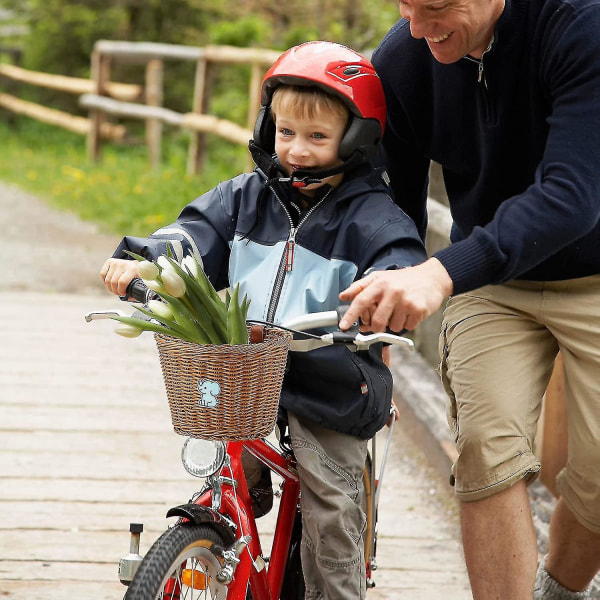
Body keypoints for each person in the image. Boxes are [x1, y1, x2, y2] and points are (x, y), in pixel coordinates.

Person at [101, 41, 426, 599]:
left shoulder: (372, 216)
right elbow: (190, 235)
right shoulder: (245, 199)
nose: (296, 150)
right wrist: (148, 262)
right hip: (245, 377)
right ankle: (214, 536)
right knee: (222, 473)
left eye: (317, 137)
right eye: (285, 132)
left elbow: (400, 261)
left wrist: (387, 295)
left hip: (331, 385)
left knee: (330, 517)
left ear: (358, 140)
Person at [337, 0, 600, 597]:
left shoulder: (580, 25)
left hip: (593, 274)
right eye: (406, 5)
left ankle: (557, 590)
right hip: (492, 288)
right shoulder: (405, 57)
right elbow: (390, 211)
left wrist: (438, 274)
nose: (418, 27)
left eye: (437, 8)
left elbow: (571, 196)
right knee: (487, 447)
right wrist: (380, 322)